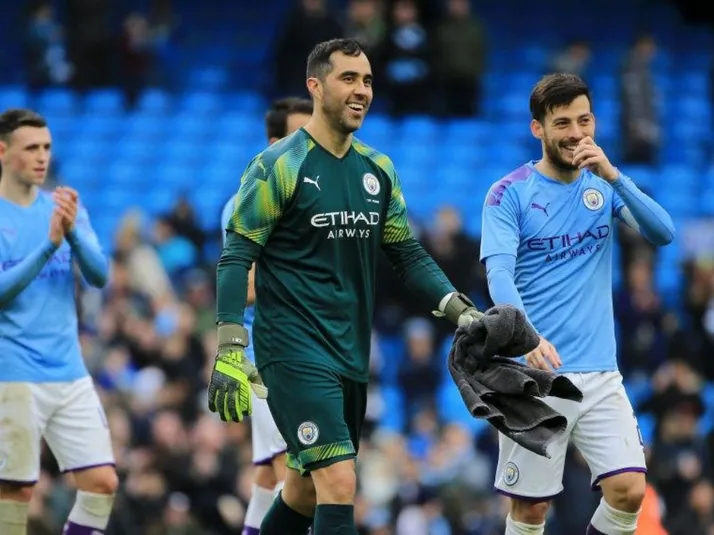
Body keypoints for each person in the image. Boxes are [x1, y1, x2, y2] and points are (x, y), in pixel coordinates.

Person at [210, 38, 489, 535]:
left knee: (302, 490)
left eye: (367, 81)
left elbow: (407, 253)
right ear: (315, 87)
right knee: (339, 482)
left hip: (352, 351)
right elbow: (236, 256)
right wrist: (230, 345)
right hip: (292, 349)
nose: (362, 90)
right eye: (348, 79)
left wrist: (459, 311)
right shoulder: (278, 166)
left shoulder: (378, 169)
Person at [480, 73, 675, 535]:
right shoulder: (509, 193)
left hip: (601, 371)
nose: (575, 133)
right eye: (562, 123)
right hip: (536, 375)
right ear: (538, 129)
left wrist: (614, 176)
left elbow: (662, 233)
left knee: (629, 491)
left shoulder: (602, 187)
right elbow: (499, 274)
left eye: (584, 120)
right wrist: (525, 337)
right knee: (531, 510)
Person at [0, 109, 117, 534]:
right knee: (16, 491)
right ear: (2, 151)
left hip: (69, 370)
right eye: (31, 147)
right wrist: (49, 247)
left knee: (102, 483)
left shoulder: (64, 207)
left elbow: (99, 276)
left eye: (46, 147)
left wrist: (72, 234)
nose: (41, 157)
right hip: (13, 373)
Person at [219, 96, 313, 535]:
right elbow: (246, 290)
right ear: (275, 144)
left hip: (301, 351)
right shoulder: (249, 204)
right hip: (269, 357)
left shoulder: (307, 200)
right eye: (300, 137)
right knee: (293, 478)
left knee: (266, 477)